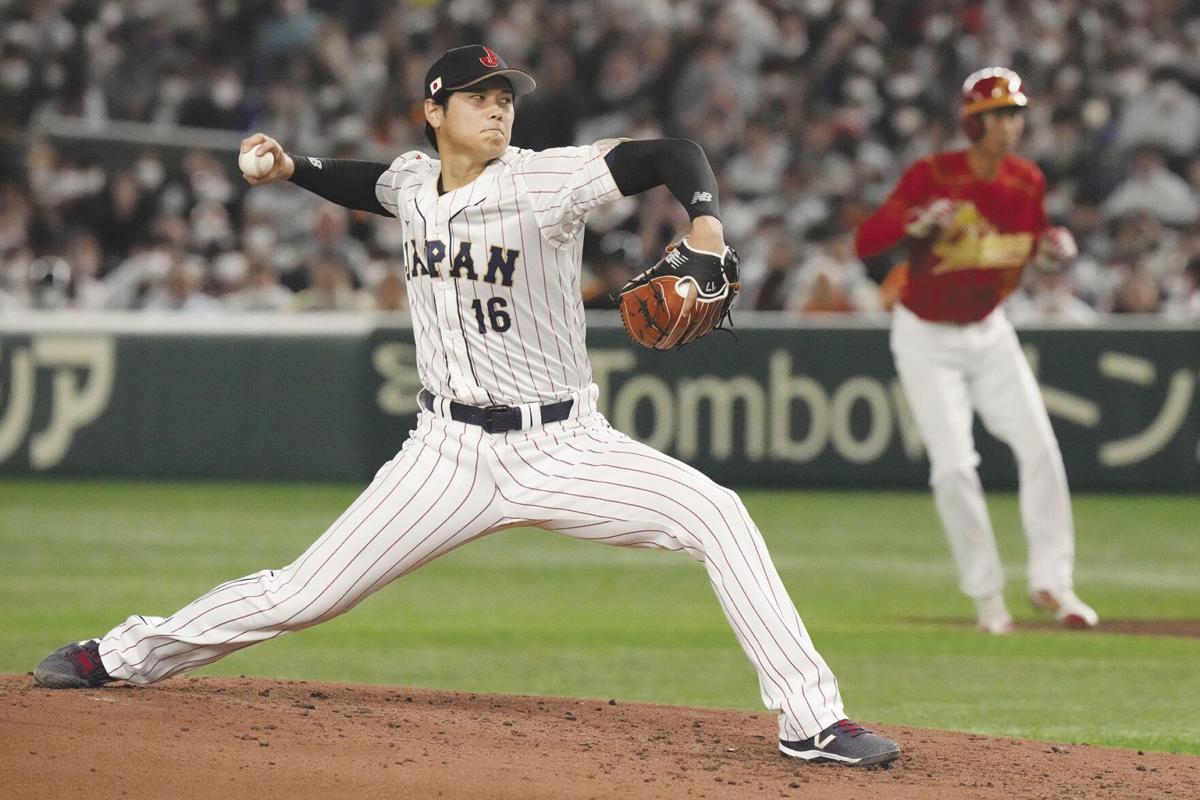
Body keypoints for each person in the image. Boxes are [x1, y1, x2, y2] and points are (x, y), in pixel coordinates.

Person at [34, 45, 899, 768]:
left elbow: (669, 153)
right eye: (479, 99)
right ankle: (121, 654)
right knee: (303, 594)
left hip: (565, 445)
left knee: (717, 513)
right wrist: (293, 168)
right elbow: (369, 182)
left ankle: (811, 721)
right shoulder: (415, 181)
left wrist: (704, 226)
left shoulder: (545, 182)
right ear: (434, 110)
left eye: (506, 99)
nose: (499, 112)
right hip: (444, 454)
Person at [855, 67, 1098, 635]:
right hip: (926, 333)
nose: (1011, 124)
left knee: (1040, 447)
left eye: (1015, 113)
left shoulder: (1026, 180)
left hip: (990, 330)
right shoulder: (932, 173)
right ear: (974, 121)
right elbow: (868, 241)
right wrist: (915, 220)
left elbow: (1030, 248)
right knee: (954, 468)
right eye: (999, 114)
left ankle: (1053, 582)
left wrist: (1054, 249)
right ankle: (989, 599)